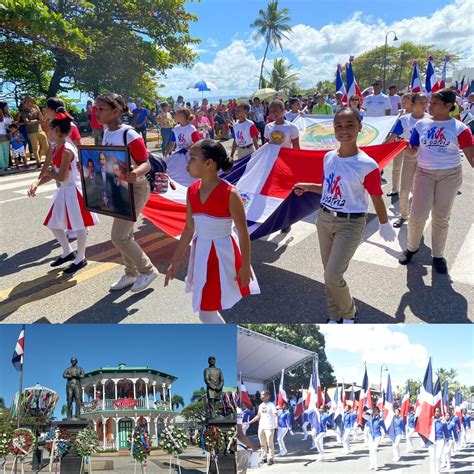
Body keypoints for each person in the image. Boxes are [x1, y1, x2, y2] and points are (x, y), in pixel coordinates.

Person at [293, 107, 396, 323]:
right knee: (328, 274)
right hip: (324, 220)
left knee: (333, 275)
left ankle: (350, 314)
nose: (344, 130)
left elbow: (377, 197)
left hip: (350, 224)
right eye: (339, 125)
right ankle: (334, 315)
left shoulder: (367, 165)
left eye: (350, 125)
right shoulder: (329, 157)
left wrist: (384, 224)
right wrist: (308, 186)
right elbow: (329, 188)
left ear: (360, 127)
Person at [164, 140, 259, 323]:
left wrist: (245, 265)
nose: (187, 164)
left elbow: (243, 232)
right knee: (207, 309)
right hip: (202, 254)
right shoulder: (192, 191)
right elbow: (189, 228)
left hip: (222, 255)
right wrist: (174, 262)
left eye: (192, 158)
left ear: (209, 163)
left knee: (206, 311)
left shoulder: (230, 194)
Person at [399, 89, 474, 274]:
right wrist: (399, 147)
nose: (429, 105)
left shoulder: (460, 128)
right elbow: (413, 151)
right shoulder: (421, 125)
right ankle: (411, 248)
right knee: (417, 216)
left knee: (441, 217)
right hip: (424, 173)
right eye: (430, 102)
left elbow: (471, 157)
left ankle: (438, 256)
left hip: (450, 175)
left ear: (449, 106)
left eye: (434, 102)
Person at [94, 93, 159, 292]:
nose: (96, 113)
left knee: (119, 236)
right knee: (126, 234)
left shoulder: (129, 134)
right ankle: (131, 274)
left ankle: (147, 270)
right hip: (118, 187)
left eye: (101, 109)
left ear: (116, 111)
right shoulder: (106, 132)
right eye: (96, 109)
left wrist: (135, 173)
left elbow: (146, 163)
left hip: (136, 187)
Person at [27, 110, 99, 273]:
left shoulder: (66, 150)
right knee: (53, 223)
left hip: (73, 190)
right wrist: (37, 182)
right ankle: (67, 252)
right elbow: (54, 173)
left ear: (58, 132)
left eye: (50, 129)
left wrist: (48, 174)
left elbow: (60, 175)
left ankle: (81, 257)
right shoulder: (56, 148)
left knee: (80, 225)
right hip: (65, 191)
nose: (47, 131)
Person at [386, 93, 429, 226]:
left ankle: (417, 217)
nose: (424, 105)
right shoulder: (404, 120)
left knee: (419, 190)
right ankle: (404, 215)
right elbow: (391, 139)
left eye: (426, 102)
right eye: (421, 102)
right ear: (412, 103)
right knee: (404, 189)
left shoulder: (431, 119)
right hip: (410, 157)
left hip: (427, 159)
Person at [245, 390, 277, 466]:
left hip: (269, 427)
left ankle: (271, 458)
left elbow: (275, 415)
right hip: (261, 427)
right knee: (262, 443)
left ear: (268, 396)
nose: (261, 396)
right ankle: (264, 457)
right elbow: (258, 416)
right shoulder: (261, 405)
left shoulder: (271, 405)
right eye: (261, 395)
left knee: (269, 443)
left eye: (263, 395)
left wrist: (276, 423)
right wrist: (249, 422)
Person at [17, 97, 49, 168]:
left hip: (40, 130)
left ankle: (50, 161)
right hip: (31, 132)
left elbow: (41, 119)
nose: (29, 103)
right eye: (27, 102)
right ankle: (38, 162)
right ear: (24, 104)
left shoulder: (35, 110)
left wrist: (38, 110)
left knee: (46, 147)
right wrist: (37, 121)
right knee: (35, 148)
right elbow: (27, 122)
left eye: (30, 102)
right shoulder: (24, 112)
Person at [236, 405, 259, 474]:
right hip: (239, 447)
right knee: (240, 471)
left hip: (220, 448)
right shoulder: (237, 410)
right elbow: (240, 435)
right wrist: (253, 446)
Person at [367, 407, 386, 471]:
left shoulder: (380, 419)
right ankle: (371, 465)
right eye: (374, 410)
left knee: (374, 449)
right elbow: (364, 417)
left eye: (376, 410)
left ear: (378, 411)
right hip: (371, 436)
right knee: (370, 451)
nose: (374, 411)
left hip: (377, 436)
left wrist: (384, 435)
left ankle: (376, 465)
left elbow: (384, 428)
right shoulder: (370, 418)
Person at [430, 407, 448, 474]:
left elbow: (446, 431)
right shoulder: (430, 420)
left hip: (440, 440)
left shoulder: (442, 421)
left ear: (440, 412)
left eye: (438, 411)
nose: (437, 412)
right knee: (432, 458)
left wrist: (447, 439)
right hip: (431, 441)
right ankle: (432, 472)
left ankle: (437, 470)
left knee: (438, 457)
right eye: (435, 411)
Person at [0, 102, 13, 171]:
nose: (7, 108)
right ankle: (2, 166)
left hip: (5, 137)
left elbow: (10, 127)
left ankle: (6, 166)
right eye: (6, 106)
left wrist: (9, 128)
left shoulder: (7, 117)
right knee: (0, 153)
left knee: (6, 152)